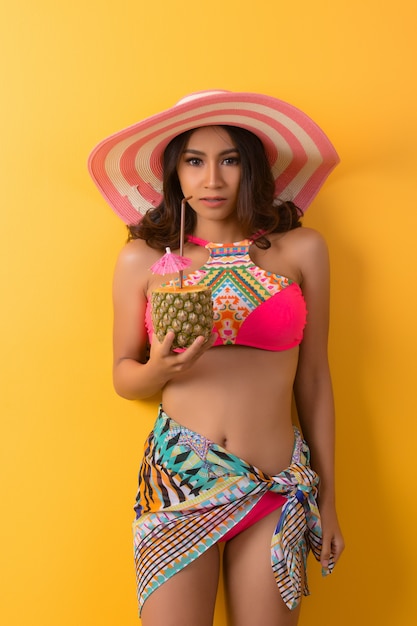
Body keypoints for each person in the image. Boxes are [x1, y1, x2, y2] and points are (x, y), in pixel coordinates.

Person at [88, 90, 345, 626]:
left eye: (229, 160)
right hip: (177, 485)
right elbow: (123, 375)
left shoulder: (302, 250)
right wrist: (159, 371)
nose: (212, 180)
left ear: (250, 169)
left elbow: (315, 380)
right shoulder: (143, 260)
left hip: (274, 482)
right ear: (174, 173)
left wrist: (330, 497)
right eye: (194, 161)